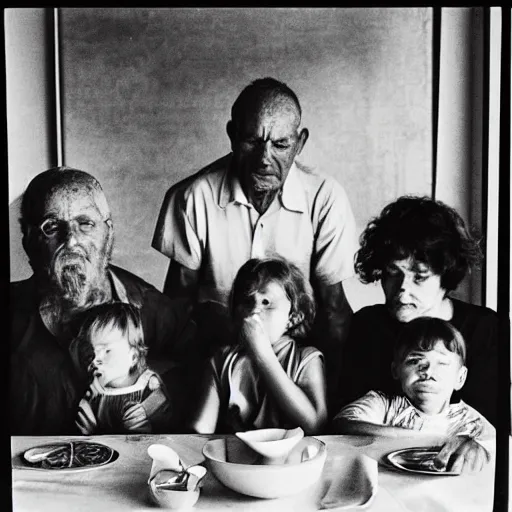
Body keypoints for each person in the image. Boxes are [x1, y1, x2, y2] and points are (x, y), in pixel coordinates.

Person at [152, 77, 358, 409]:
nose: (264, 158)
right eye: (252, 140)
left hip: (294, 368)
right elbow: (177, 308)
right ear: (232, 135)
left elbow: (334, 311)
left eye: (280, 144)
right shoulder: (191, 197)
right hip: (218, 365)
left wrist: (329, 398)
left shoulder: (325, 197)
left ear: (299, 143)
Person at [10, 167, 196, 435]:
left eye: (85, 223)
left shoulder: (148, 306)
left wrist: (154, 405)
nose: (71, 240)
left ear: (108, 235)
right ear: (28, 240)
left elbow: (199, 371)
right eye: (51, 227)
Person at [336, 195, 498, 471]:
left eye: (419, 276)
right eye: (392, 273)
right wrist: (433, 437)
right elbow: (347, 426)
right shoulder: (368, 325)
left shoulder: (485, 329)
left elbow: (494, 431)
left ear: (445, 277)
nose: (402, 289)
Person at [333, 317, 494, 473]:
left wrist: (477, 449)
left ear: (460, 378)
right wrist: (432, 440)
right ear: (396, 370)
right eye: (414, 361)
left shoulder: (471, 423)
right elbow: (343, 423)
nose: (428, 372)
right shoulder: (384, 405)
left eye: (442, 363)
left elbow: (498, 449)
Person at [189, 257, 328, 435]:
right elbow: (199, 430)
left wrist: (262, 354)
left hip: (292, 459)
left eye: (266, 303)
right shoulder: (222, 360)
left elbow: (315, 424)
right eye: (246, 301)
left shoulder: (307, 359)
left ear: (293, 318)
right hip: (237, 458)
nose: (254, 310)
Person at [72, 302, 172, 434]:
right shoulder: (96, 389)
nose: (95, 359)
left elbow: (166, 426)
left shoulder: (149, 386)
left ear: (134, 357)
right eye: (92, 351)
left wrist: (145, 428)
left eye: (107, 351)